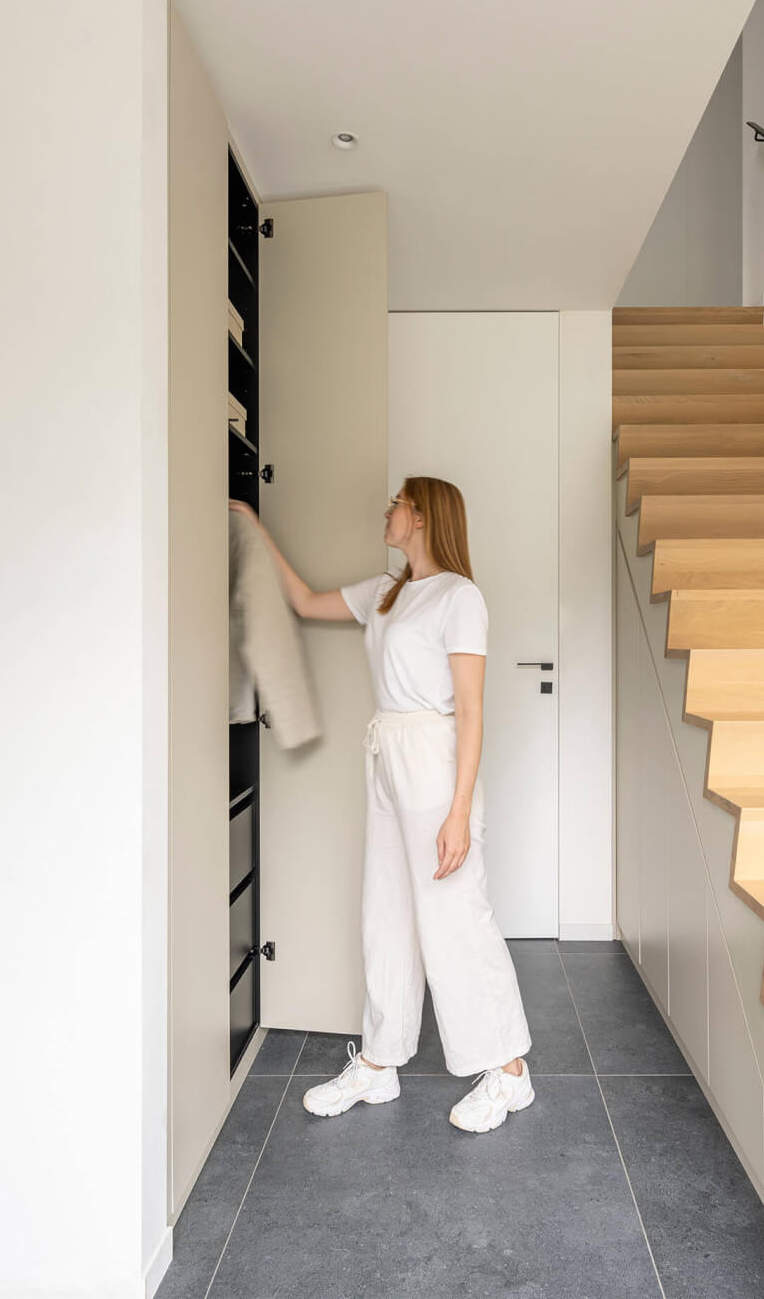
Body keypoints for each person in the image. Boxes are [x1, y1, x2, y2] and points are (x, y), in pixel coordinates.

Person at [227, 476, 534, 1133]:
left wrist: (458, 814)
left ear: (421, 516)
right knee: (385, 912)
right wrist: (255, 530)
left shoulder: (459, 597)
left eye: (396, 502)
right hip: (386, 754)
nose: (387, 510)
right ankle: (378, 1062)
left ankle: (508, 1072)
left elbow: (473, 711)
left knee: (454, 914)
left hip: (433, 758)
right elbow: (306, 601)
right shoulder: (387, 593)